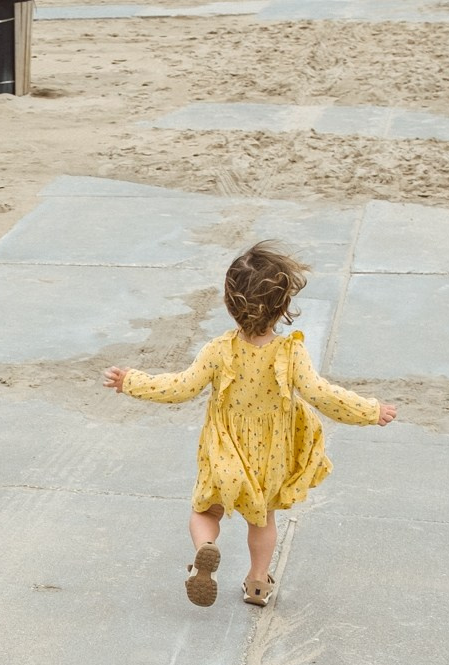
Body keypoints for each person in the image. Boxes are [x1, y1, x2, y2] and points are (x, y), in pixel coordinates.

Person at [105, 242, 396, 607]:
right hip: (270, 456)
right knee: (263, 520)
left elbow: (180, 388)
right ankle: (257, 582)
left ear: (230, 303)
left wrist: (131, 381)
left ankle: (206, 549)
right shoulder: (290, 353)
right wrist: (370, 410)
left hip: (224, 449)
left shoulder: (218, 350)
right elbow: (321, 394)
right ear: (283, 306)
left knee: (205, 511)